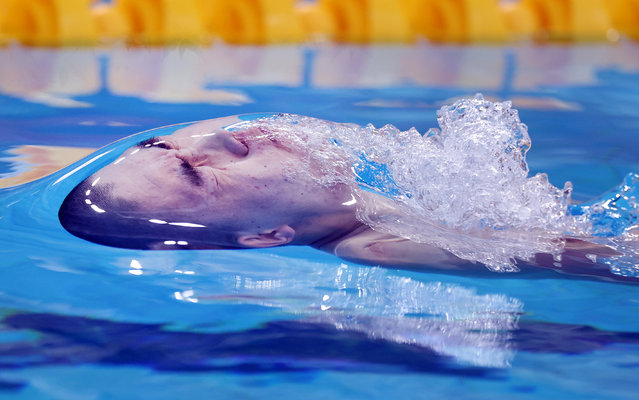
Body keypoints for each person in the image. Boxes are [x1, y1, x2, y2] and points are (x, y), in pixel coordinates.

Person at [58, 113, 637, 281]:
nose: (219, 137)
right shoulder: (392, 247)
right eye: (198, 172)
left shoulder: (353, 202)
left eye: (168, 144)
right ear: (267, 237)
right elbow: (613, 260)